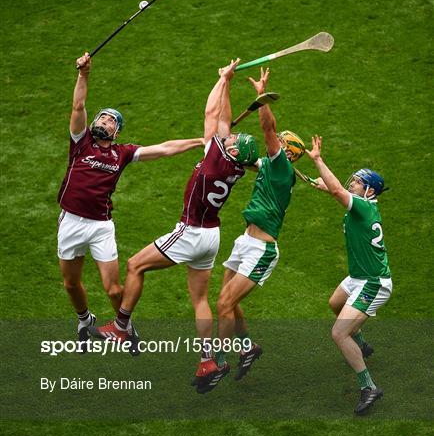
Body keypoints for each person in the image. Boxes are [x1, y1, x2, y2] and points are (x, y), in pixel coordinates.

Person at [88, 59, 259, 379]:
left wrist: (222, 78)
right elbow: (223, 119)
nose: (231, 137)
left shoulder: (216, 155)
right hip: (212, 237)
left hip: (191, 230)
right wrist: (230, 85)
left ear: (233, 152)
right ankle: (207, 360)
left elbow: (212, 116)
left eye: (235, 142)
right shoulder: (234, 165)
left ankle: (121, 326)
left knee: (135, 265)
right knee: (199, 300)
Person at [58, 52, 204, 350]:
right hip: (70, 220)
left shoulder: (121, 153)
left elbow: (162, 149)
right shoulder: (80, 142)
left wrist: (199, 142)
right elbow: (78, 105)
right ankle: (84, 318)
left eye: (112, 120)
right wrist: (84, 75)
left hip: (100, 226)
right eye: (103, 117)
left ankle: (123, 326)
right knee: (71, 284)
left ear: (117, 131)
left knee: (113, 289)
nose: (105, 121)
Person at [197, 67, 306, 394]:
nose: (273, 144)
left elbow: (268, 128)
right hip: (245, 242)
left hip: (262, 250)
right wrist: (219, 143)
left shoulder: (282, 165)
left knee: (225, 304)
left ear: (287, 152)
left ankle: (217, 361)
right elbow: (244, 158)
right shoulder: (271, 166)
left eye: (279, 144)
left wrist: (262, 98)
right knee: (225, 301)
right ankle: (247, 347)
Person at [306, 135, 392, 415]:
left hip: (374, 283)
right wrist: (326, 187)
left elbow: (338, 194)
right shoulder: (363, 205)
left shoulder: (365, 207)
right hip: (358, 277)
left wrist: (318, 160)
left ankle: (369, 387)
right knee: (335, 303)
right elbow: (335, 192)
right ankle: (363, 345)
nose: (351, 183)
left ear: (369, 191)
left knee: (339, 333)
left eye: (357, 182)